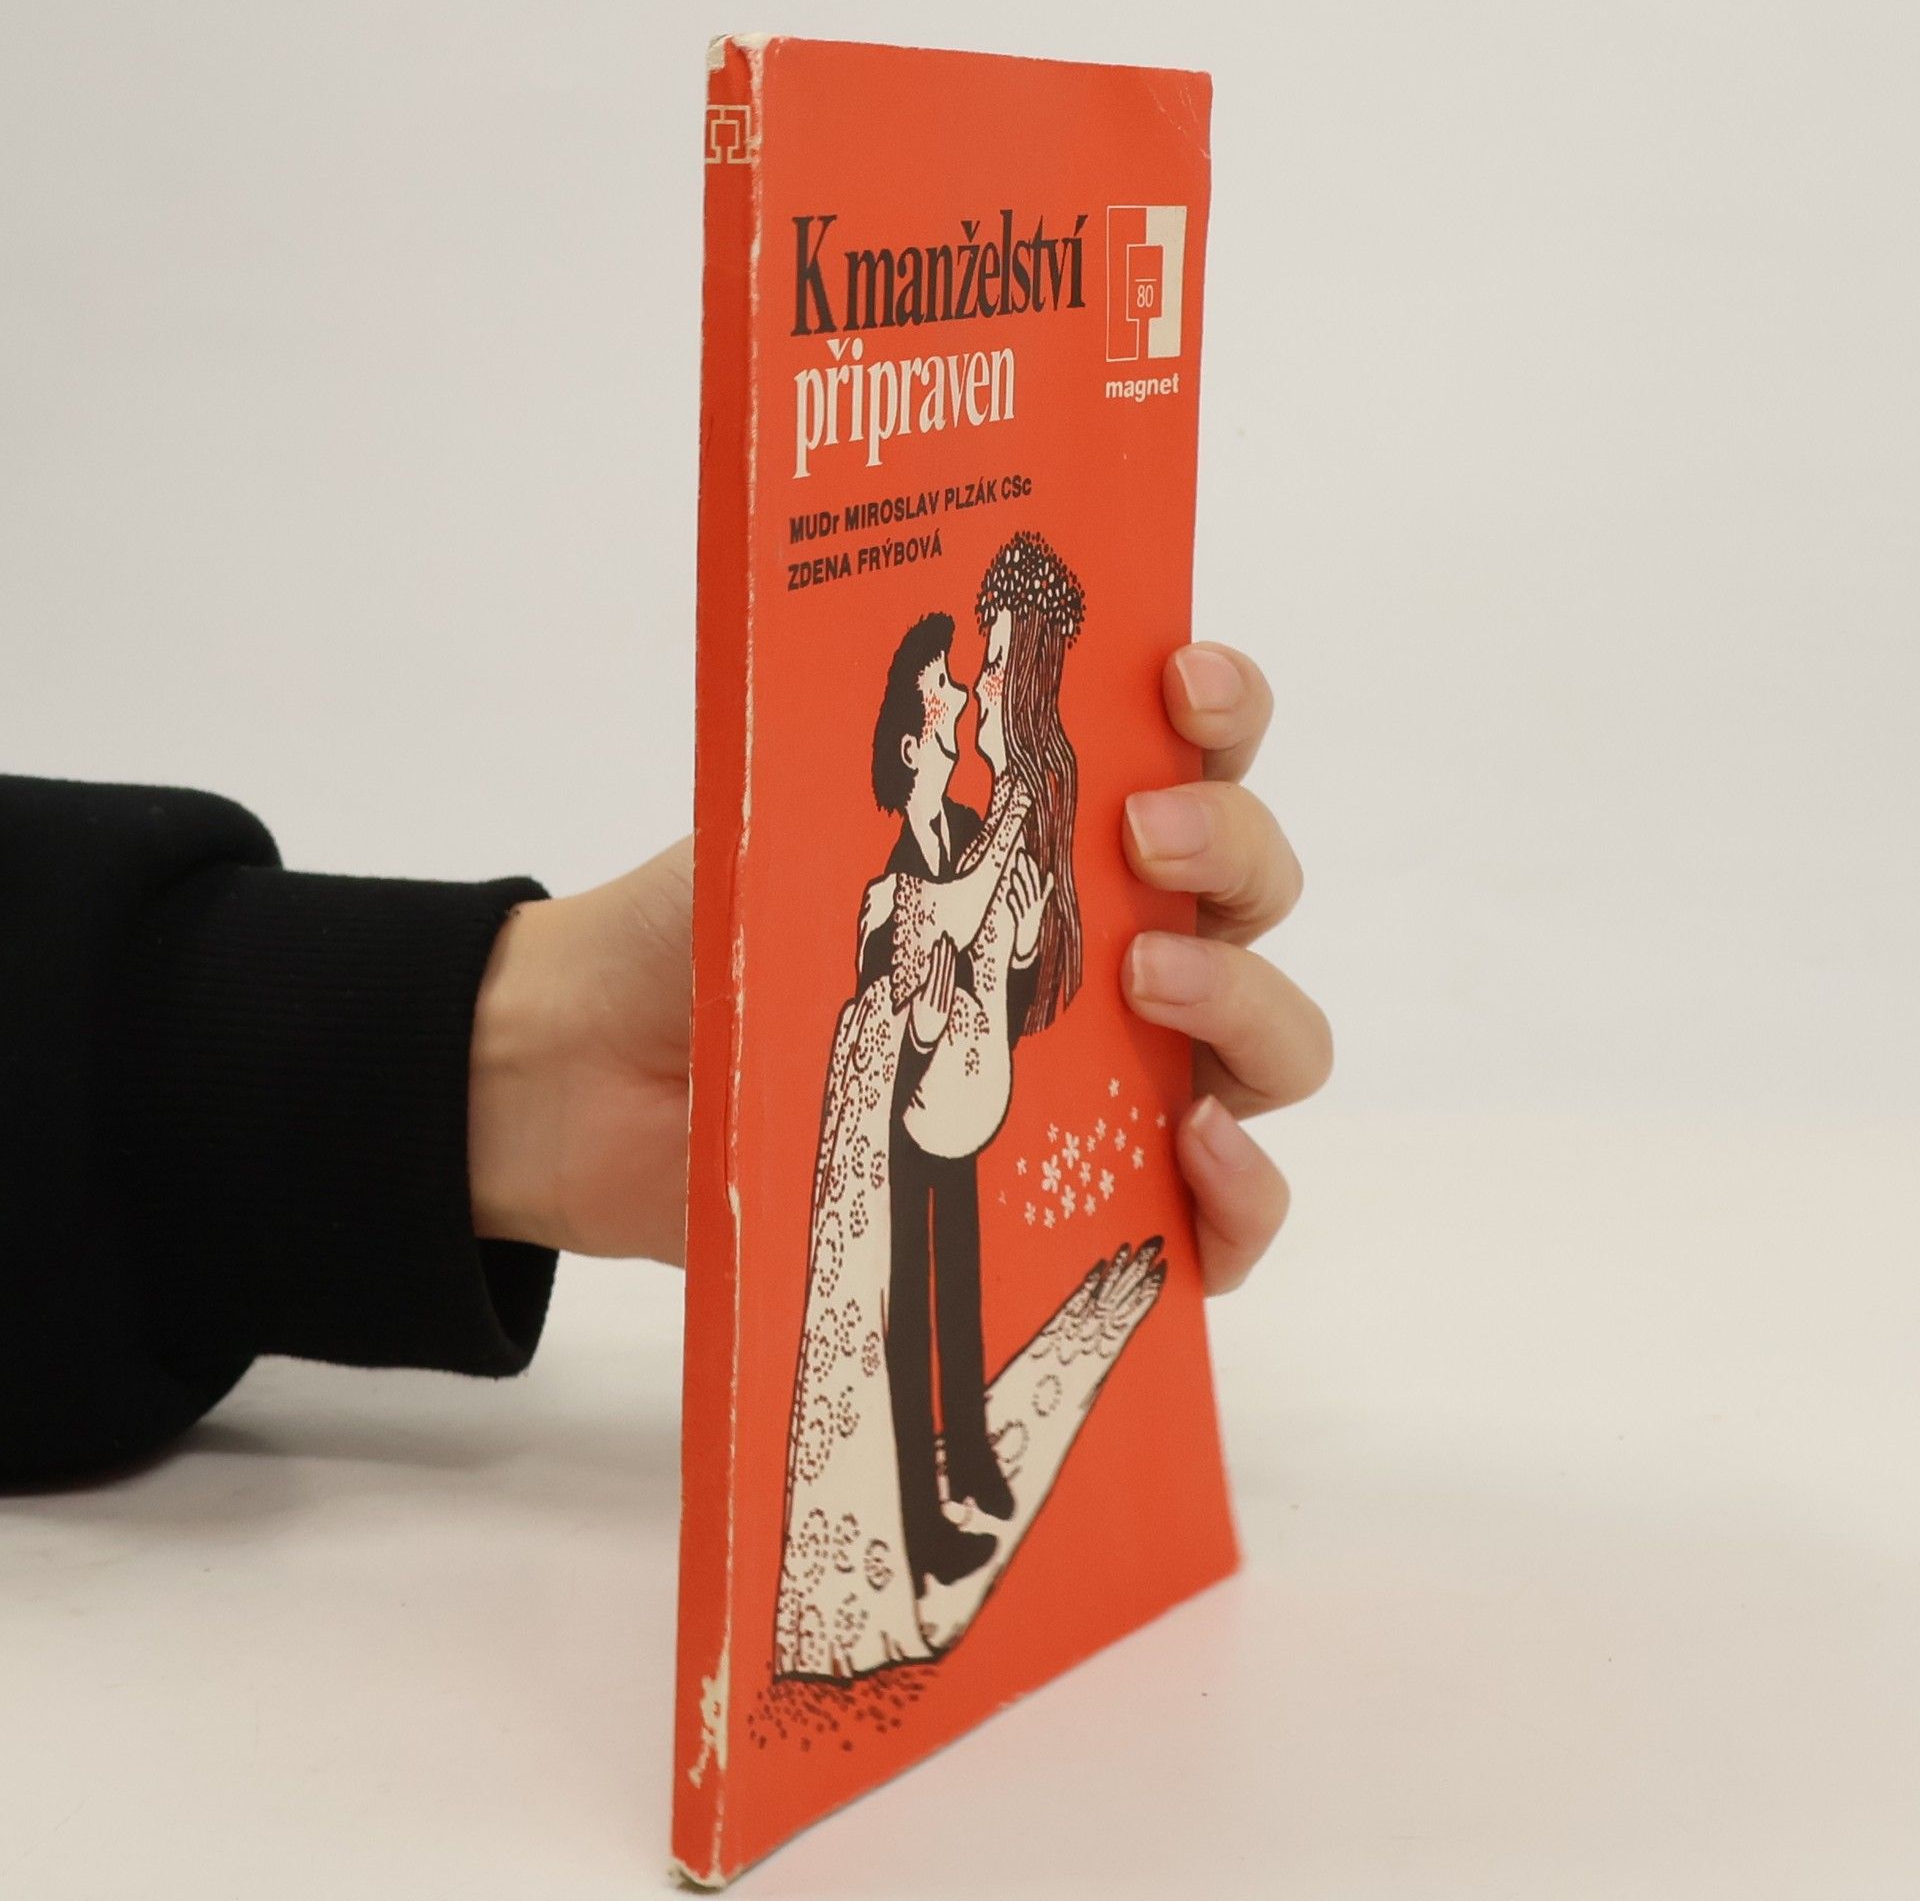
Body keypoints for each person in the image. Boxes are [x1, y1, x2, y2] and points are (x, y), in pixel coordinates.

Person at [0, 638, 1331, 1491]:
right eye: (938, 715)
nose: (953, 729)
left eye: (964, 714)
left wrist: (493, 1052)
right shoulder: (906, 878)